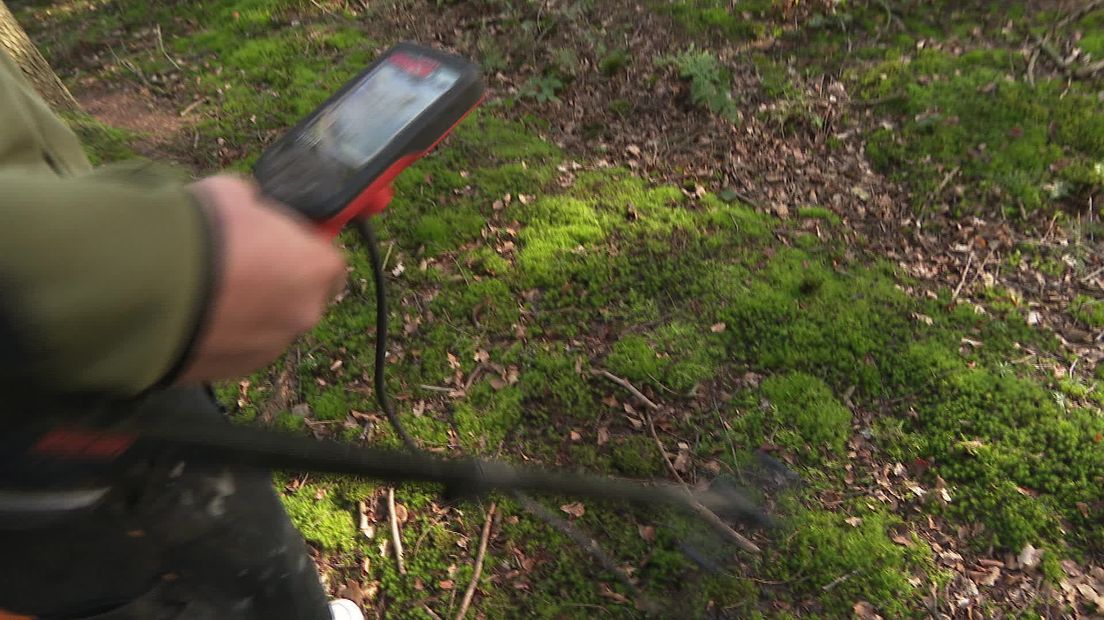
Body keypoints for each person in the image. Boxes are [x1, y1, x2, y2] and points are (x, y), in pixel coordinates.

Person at [0, 48, 361, 619]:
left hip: (108, 353)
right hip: (51, 401)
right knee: (121, 581)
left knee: (241, 540)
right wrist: (170, 264)